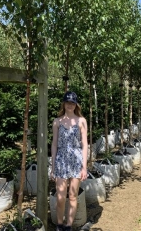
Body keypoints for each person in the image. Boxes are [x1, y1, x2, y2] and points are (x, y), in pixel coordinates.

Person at [50, 91, 88, 231]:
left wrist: (84, 166)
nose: (70, 105)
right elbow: (54, 144)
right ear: (64, 103)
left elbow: (84, 144)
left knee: (72, 196)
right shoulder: (57, 121)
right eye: (68, 102)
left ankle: (68, 226)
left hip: (76, 161)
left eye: (72, 102)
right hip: (61, 161)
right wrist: (52, 166)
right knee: (60, 196)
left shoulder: (81, 121)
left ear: (76, 104)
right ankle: (59, 224)